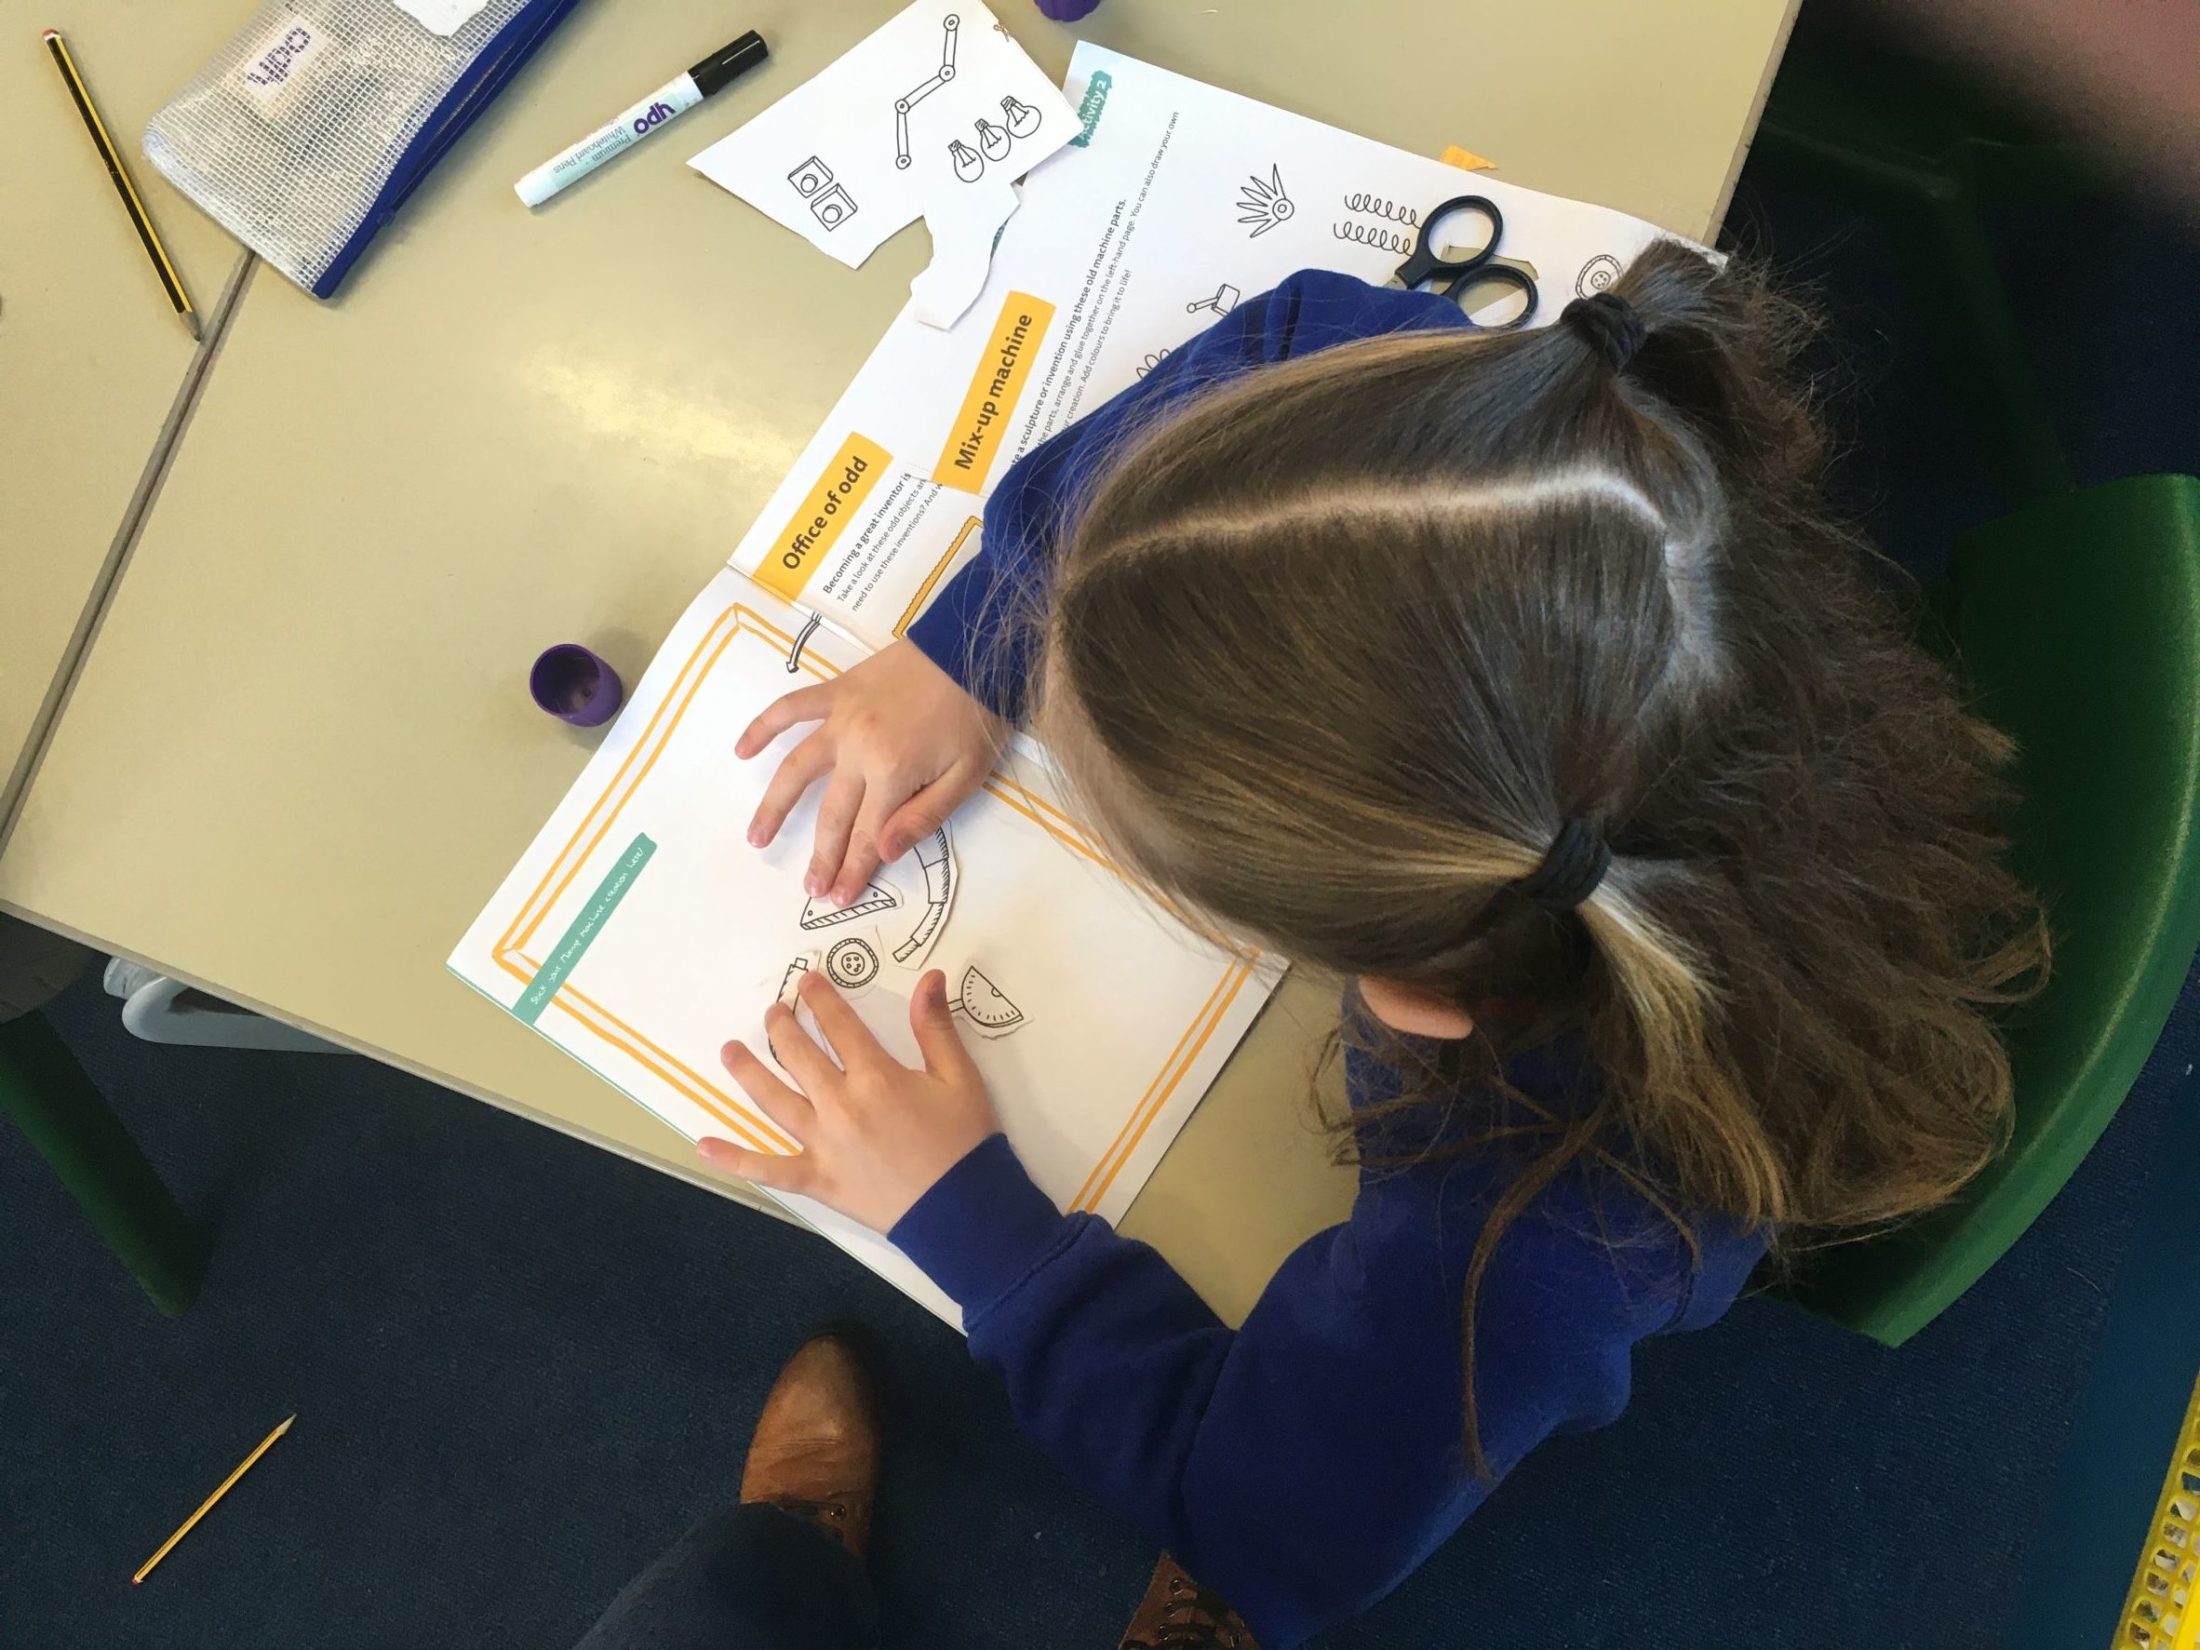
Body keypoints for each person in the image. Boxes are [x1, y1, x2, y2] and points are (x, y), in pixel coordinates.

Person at [702, 243, 2045, 1648]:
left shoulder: (1529, 1240)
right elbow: (1303, 325)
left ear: (1412, 992)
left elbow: (1265, 1524)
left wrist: (976, 1222)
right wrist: (973, 635)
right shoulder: (1612, 495)